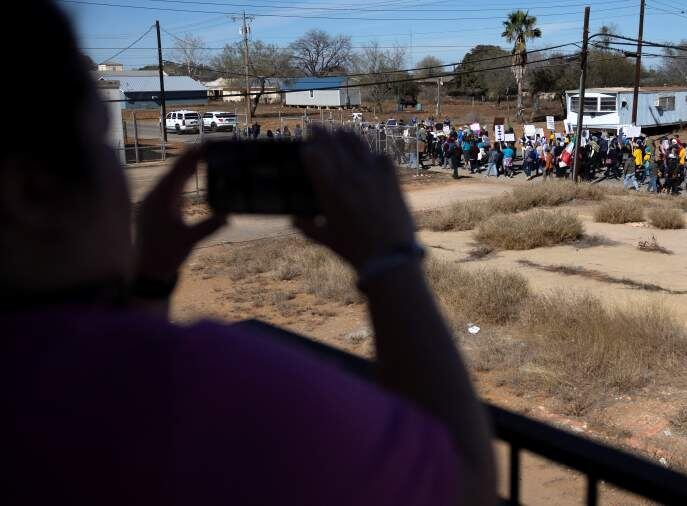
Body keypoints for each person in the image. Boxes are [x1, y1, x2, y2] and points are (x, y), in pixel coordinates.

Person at [6, 3, 496, 504]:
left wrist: (151, 279)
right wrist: (392, 260)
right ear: (33, 191)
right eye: (105, 149)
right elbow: (465, 482)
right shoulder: (200, 381)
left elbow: (116, 398)